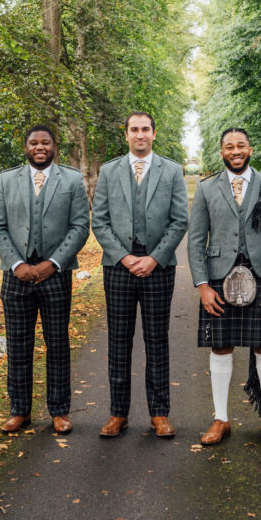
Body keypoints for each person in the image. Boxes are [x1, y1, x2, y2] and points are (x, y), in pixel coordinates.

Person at [187, 128, 261, 447]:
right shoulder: (206, 188)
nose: (236, 150)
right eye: (229, 147)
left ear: (251, 149)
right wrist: (203, 285)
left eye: (241, 145)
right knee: (220, 347)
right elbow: (195, 241)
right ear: (221, 152)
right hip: (220, 278)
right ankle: (221, 419)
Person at [0, 125, 90, 435]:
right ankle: (19, 411)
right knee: (18, 345)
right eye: (34, 142)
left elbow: (80, 227)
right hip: (16, 276)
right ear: (26, 146)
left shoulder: (71, 179)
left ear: (54, 146)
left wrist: (54, 262)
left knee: (57, 344)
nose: (40, 147)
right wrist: (16, 263)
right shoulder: (7, 180)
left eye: (45, 142)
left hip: (55, 275)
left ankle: (59, 412)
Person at [91, 112, 188, 438]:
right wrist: (125, 257)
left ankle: (159, 413)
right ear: (127, 134)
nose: (140, 134)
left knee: (157, 341)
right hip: (118, 268)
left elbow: (179, 221)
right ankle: (118, 413)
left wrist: (155, 258)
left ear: (154, 134)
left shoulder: (172, 171)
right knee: (119, 341)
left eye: (146, 129)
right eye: (135, 129)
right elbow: (100, 221)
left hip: (159, 270)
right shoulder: (109, 171)